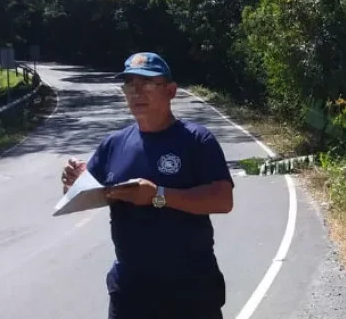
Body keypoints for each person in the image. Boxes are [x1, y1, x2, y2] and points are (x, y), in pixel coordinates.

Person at [60, 51, 234, 319]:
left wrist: (159, 195)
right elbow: (84, 196)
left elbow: (223, 200)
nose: (137, 92)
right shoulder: (113, 144)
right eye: (130, 84)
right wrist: (74, 183)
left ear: (171, 91)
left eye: (148, 84)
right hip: (131, 291)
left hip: (191, 289)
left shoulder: (197, 140)